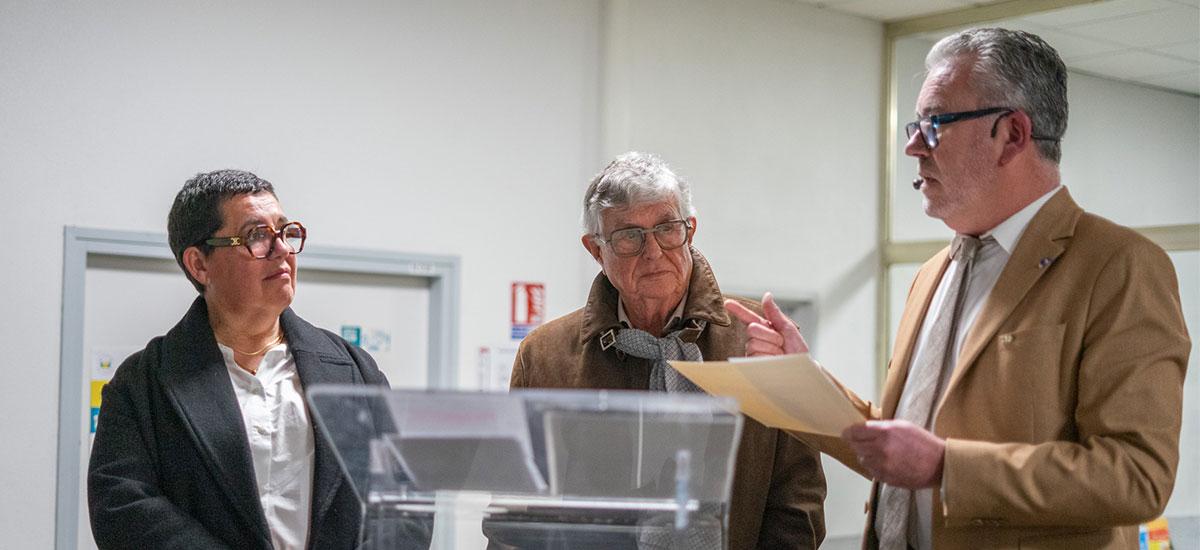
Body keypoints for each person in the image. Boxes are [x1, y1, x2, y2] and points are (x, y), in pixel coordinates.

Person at [728, 28, 1190, 549]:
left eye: (935, 123)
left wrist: (948, 466)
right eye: (915, 124)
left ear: (1012, 134)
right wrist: (802, 381)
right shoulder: (933, 273)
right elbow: (901, 447)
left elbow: (1135, 475)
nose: (912, 145)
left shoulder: (1117, 265)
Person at [508, 152, 828, 549]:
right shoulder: (545, 356)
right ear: (595, 249)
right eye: (629, 236)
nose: (653, 252)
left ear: (690, 230)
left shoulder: (759, 340)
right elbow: (518, 516)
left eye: (667, 228)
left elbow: (797, 504)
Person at [88, 170, 419, 549]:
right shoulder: (143, 384)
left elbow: (403, 505)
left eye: (285, 231)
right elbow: (123, 509)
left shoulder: (354, 371)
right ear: (199, 264)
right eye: (256, 236)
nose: (282, 250)